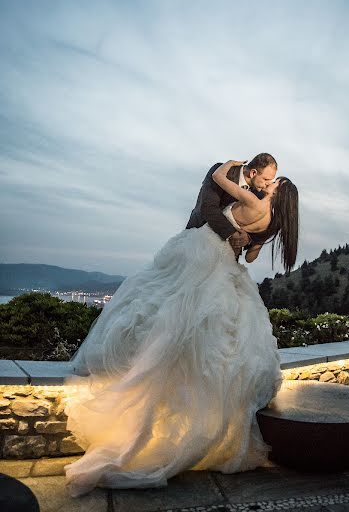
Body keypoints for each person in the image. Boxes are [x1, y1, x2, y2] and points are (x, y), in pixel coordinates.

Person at [64, 157, 299, 497]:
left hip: (203, 251)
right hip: (227, 265)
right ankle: (204, 418)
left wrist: (228, 166)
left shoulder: (254, 200)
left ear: (279, 193)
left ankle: (148, 399)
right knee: (217, 333)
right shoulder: (271, 223)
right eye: (268, 178)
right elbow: (249, 258)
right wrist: (244, 237)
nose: (269, 184)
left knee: (172, 312)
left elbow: (219, 180)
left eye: (274, 183)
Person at [186, 153, 278, 259]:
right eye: (266, 179)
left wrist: (248, 238)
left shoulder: (260, 193)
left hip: (228, 256)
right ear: (253, 173)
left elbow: (254, 223)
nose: (268, 184)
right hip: (198, 239)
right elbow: (208, 207)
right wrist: (232, 233)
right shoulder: (220, 170)